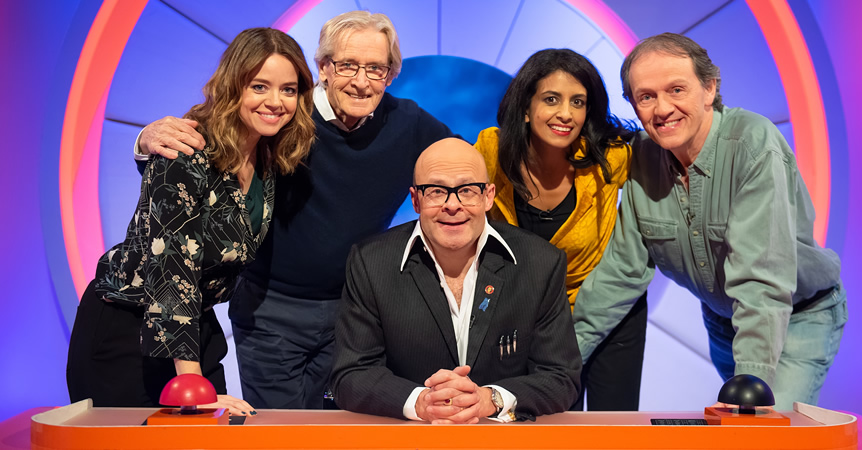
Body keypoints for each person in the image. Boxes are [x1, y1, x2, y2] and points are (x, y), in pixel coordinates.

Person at [134, 11, 454, 409]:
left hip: (352, 312)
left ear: (390, 75)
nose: (361, 80)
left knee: (341, 430)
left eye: (376, 68)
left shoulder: (409, 122)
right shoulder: (283, 115)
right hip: (269, 310)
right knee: (279, 430)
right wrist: (146, 139)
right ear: (323, 67)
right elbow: (207, 147)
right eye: (348, 65)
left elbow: (459, 162)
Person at [573, 33, 847, 410]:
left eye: (676, 89)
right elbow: (622, 273)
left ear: (709, 88)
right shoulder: (641, 156)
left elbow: (759, 277)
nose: (662, 108)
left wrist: (750, 376)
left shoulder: (753, 144)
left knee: (762, 433)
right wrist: (561, 361)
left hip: (797, 316)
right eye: (646, 96)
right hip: (725, 320)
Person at [66, 27, 317, 415]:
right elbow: (172, 269)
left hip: (196, 327)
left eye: (288, 89)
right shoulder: (185, 148)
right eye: (259, 86)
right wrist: (192, 385)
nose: (275, 101)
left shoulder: (268, 155)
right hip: (127, 332)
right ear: (234, 85)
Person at [331, 138, 581, 423]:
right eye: (436, 191)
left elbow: (562, 378)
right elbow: (350, 374)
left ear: (488, 196)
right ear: (415, 200)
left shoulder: (540, 263)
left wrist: (490, 399)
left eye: (466, 190)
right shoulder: (371, 262)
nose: (453, 205)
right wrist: (422, 402)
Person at [473, 49, 645, 411]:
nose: (566, 113)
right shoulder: (491, 150)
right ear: (525, 107)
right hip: (525, 314)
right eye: (551, 99)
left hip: (602, 311)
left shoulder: (611, 157)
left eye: (578, 102)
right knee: (536, 423)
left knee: (611, 431)